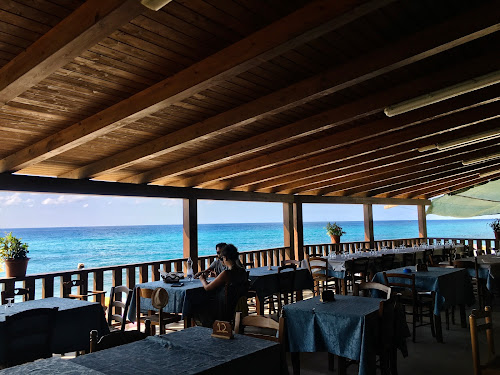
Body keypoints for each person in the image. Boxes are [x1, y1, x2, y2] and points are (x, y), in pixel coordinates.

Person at [196, 244, 249, 327]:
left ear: (226, 258)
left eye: (222, 258)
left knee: (197, 305)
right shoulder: (242, 272)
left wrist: (202, 279)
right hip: (234, 305)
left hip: (222, 308)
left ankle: (207, 327)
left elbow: (207, 288)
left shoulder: (226, 273)